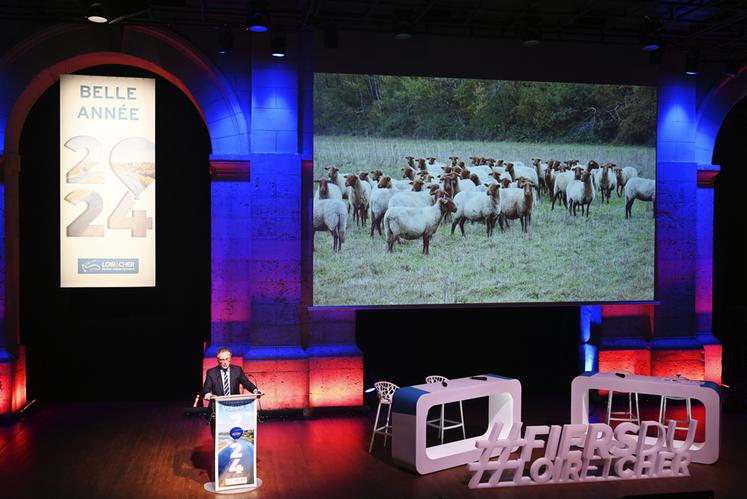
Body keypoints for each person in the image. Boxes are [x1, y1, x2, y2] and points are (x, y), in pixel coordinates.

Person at [202, 347, 262, 434]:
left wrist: (255, 390)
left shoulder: (237, 370)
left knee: (234, 433)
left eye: (227, 359)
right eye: (222, 360)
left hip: (234, 408)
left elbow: (246, 383)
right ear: (218, 360)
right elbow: (206, 389)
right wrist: (208, 394)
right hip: (218, 409)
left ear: (230, 358)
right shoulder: (211, 372)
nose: (225, 362)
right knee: (219, 436)